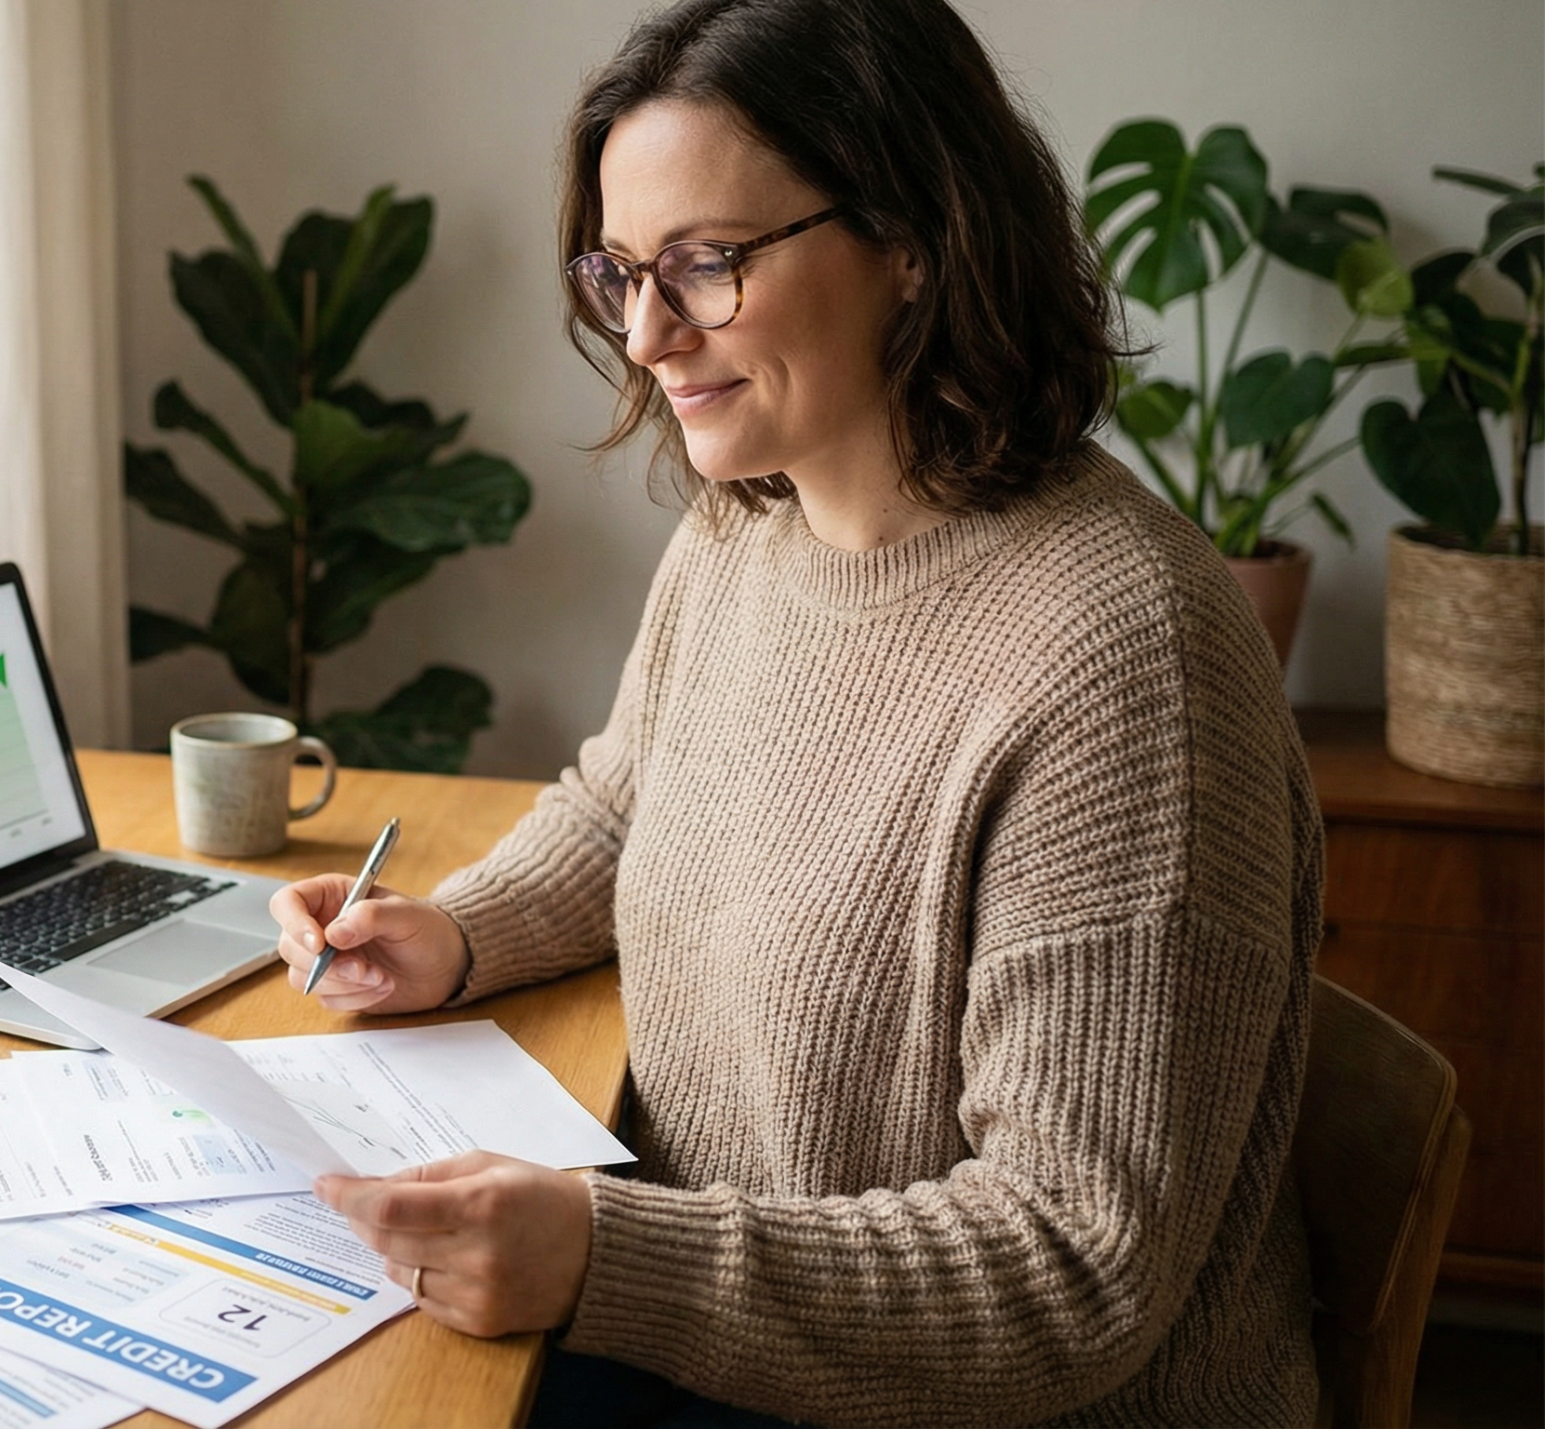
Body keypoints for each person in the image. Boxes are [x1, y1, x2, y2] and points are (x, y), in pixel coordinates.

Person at [269, 1, 1323, 1424]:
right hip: (733, 1321)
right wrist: (459, 934)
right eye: (620, 273)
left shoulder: (1125, 661)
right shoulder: (746, 527)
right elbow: (626, 801)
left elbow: (1072, 1272)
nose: (646, 335)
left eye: (705, 266)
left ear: (911, 240)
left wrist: (603, 1256)